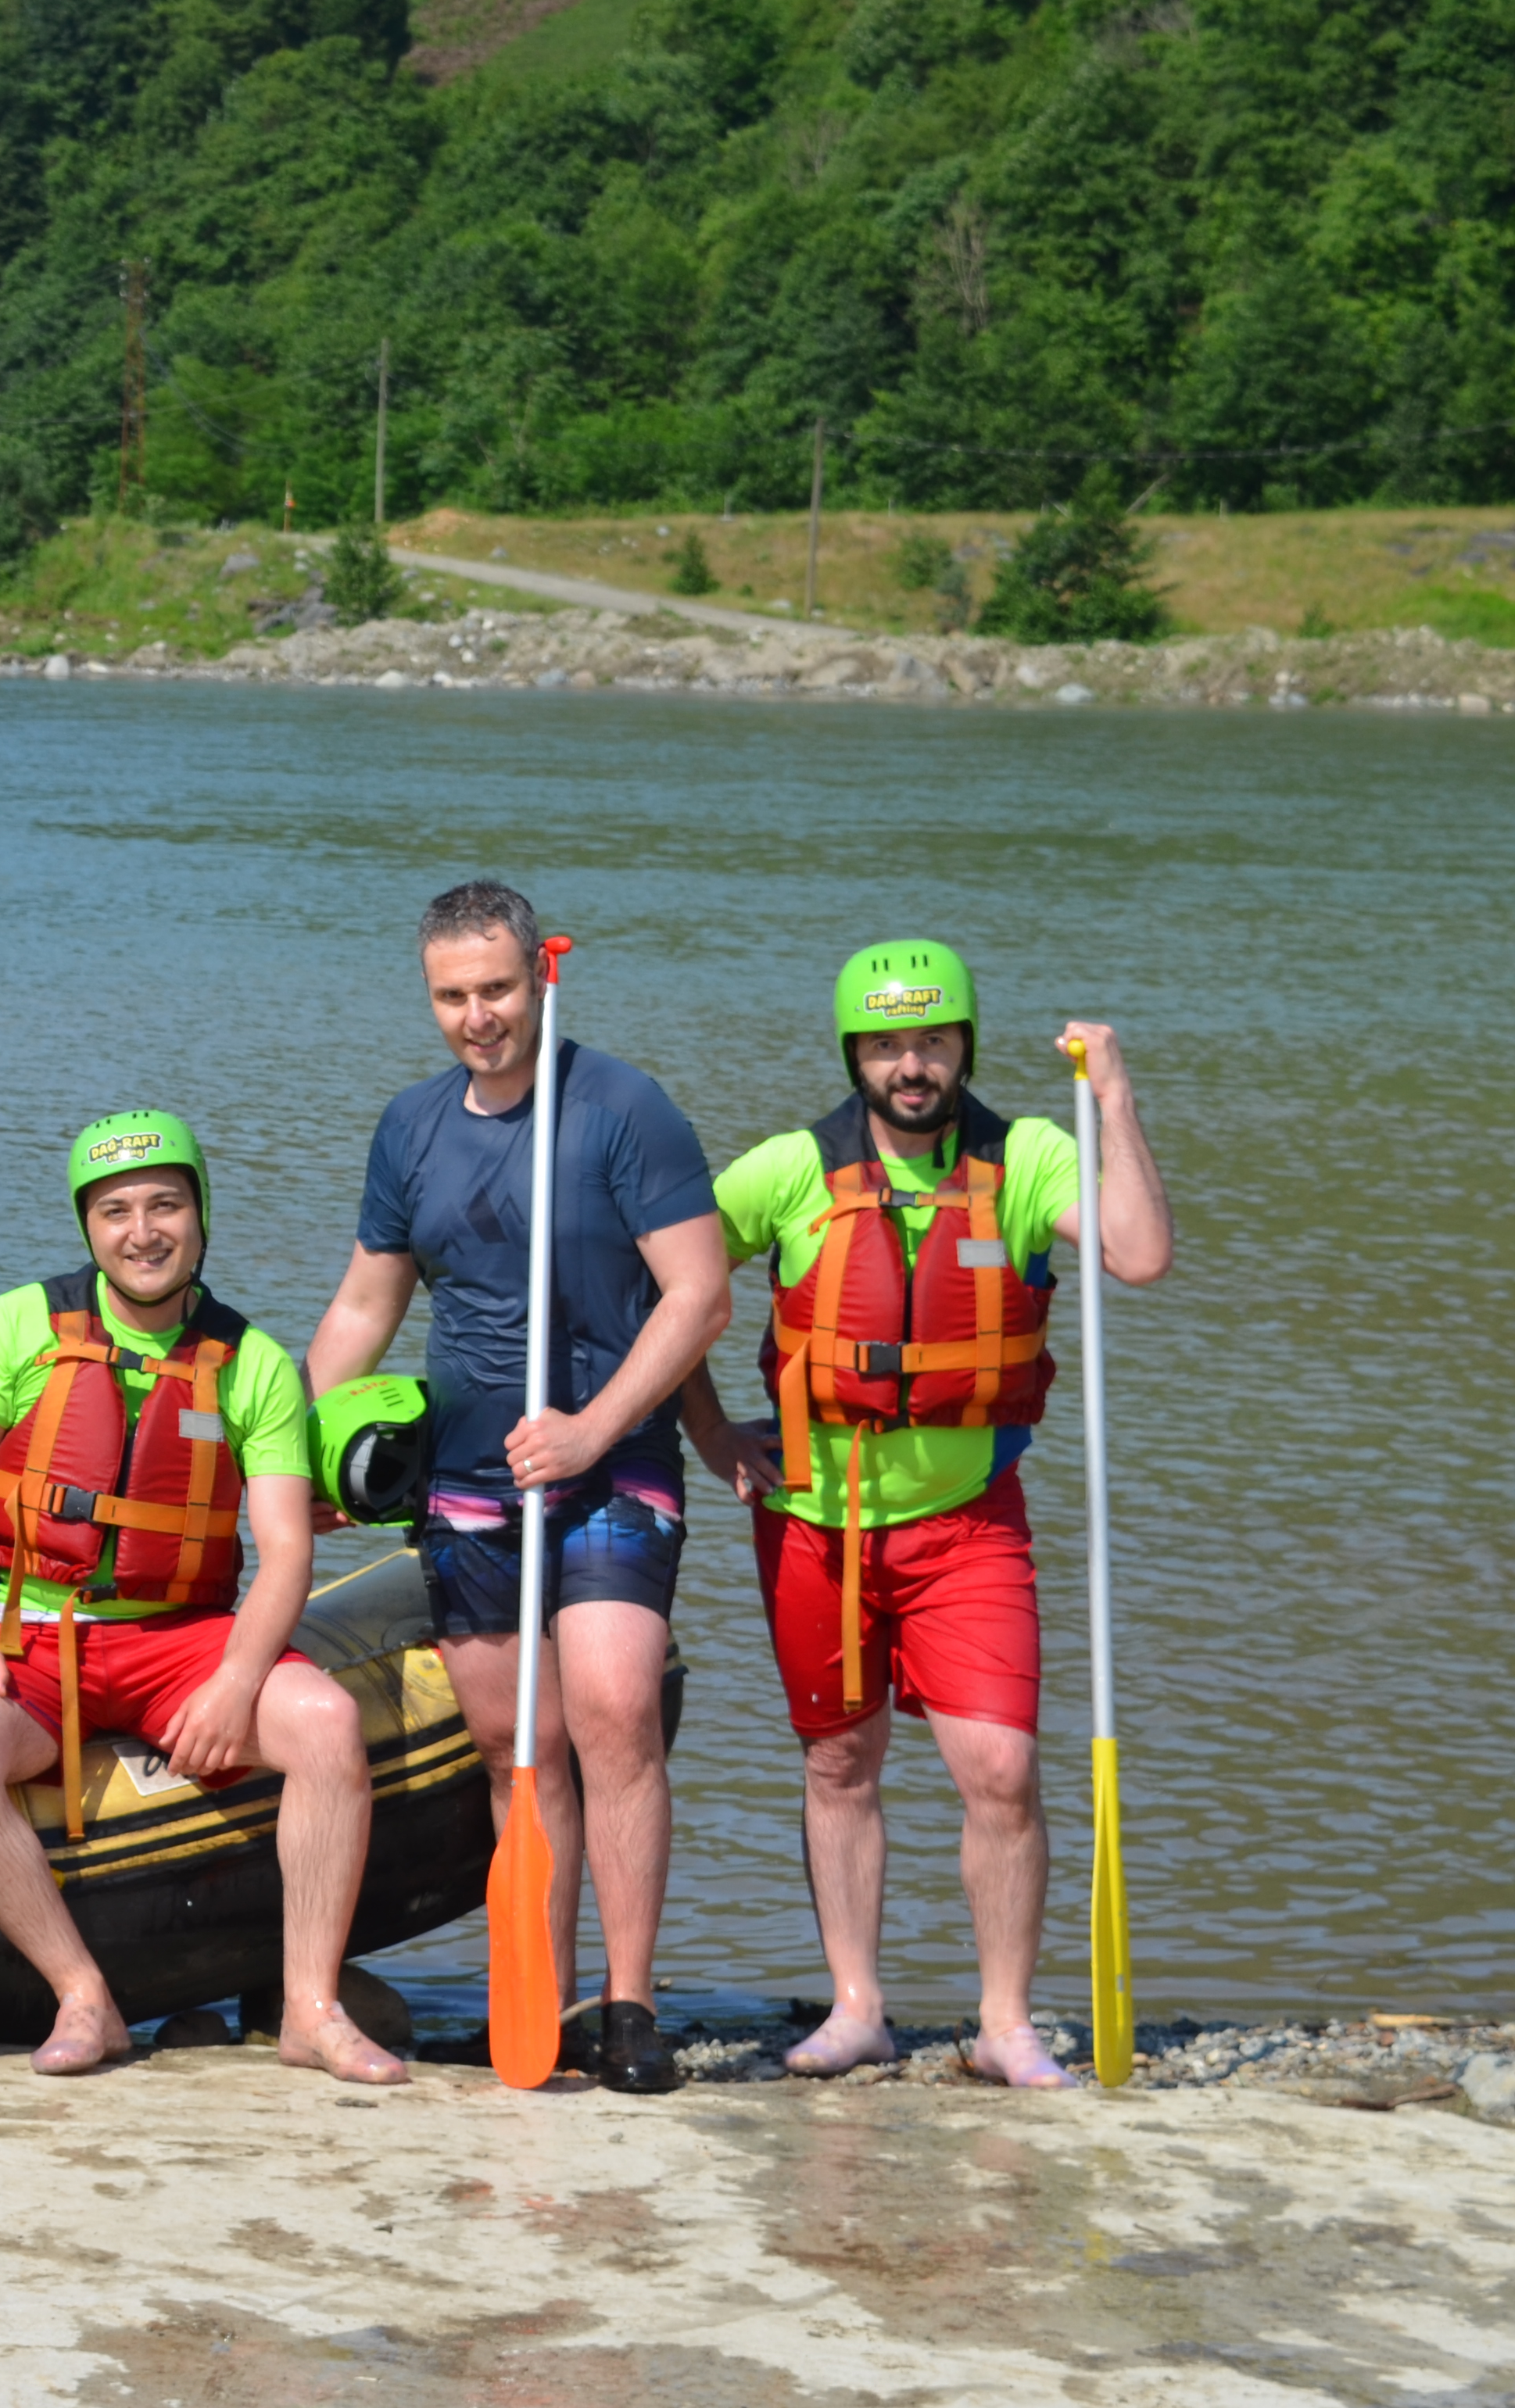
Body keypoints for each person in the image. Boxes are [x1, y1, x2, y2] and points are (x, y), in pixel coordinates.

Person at [679, 943, 1171, 2089]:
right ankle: (858, 2006)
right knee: (839, 1761)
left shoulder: (1035, 1156)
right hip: (815, 1517)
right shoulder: (792, 1170)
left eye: (934, 1041)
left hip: (967, 1523)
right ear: (855, 1053)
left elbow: (1139, 1255)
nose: (912, 1066)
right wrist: (707, 1434)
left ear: (966, 1049)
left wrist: (1115, 1099)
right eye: (888, 1045)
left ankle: (1004, 2024)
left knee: (1000, 1769)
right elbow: (671, 1284)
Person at [304, 880, 730, 2099]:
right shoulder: (413, 1128)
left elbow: (699, 1296)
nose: (477, 1017)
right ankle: (533, 1993)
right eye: (452, 996)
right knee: (513, 1744)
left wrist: (597, 1426)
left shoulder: (623, 1110)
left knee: (613, 1714)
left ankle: (633, 2003)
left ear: (540, 977)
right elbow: (364, 1306)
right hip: (471, 1478)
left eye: (496, 989)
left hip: (612, 1462)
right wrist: (297, 1441)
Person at [0, 1112, 405, 2085]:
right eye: (115, 1212)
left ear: (198, 1214)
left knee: (322, 1721)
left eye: (164, 1206)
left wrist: (233, 1682)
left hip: (181, 1635)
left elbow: (284, 1549)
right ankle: (82, 1999)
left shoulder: (253, 1364)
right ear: (88, 1229)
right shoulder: (20, 1323)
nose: (141, 1231)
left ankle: (309, 2008)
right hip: (33, 1628)